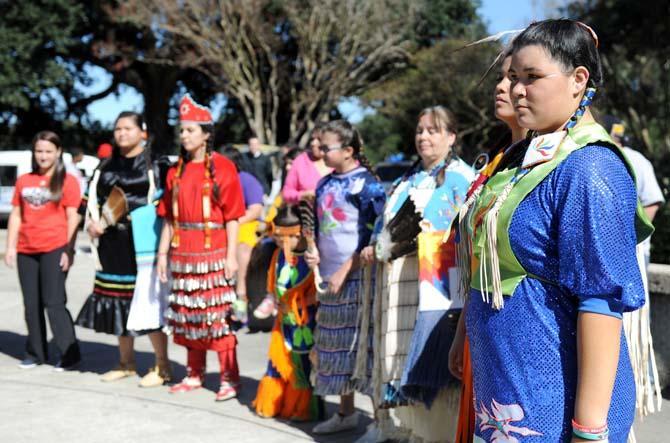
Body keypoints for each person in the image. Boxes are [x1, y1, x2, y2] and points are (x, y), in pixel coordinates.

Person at [458, 20, 653, 442]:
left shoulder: (590, 168)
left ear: (578, 80)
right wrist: (465, 337)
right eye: (513, 78)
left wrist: (588, 427)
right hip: (504, 390)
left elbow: (601, 299)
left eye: (532, 78)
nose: (517, 90)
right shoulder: (519, 159)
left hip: (553, 397)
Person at [360, 106, 475, 443]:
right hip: (396, 289)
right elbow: (384, 227)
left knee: (431, 362)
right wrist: (375, 246)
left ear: (451, 137)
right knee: (396, 359)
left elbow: (467, 236)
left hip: (437, 291)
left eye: (433, 130)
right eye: (420, 130)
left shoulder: (462, 178)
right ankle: (403, 429)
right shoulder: (406, 180)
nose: (423, 137)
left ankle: (438, 435)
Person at [450, 52, 529, 443]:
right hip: (483, 324)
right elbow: (480, 258)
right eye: (502, 77)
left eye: (515, 76)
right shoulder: (494, 162)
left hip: (528, 336)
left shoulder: (562, 162)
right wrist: (462, 330)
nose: (501, 87)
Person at [157, 94, 245, 402]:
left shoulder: (223, 167)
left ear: (207, 134)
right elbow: (168, 217)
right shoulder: (174, 171)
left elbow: (234, 216)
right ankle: (194, 374)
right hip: (183, 253)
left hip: (214, 252)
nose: (184, 136)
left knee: (216, 317)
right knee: (188, 314)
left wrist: (232, 256)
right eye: (181, 130)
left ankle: (229, 377)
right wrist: (161, 254)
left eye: (191, 130)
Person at [75, 112, 172, 387]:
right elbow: (88, 201)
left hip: (145, 245)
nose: (121, 133)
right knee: (118, 301)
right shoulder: (105, 166)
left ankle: (162, 366)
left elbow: (169, 201)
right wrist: (91, 224)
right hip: (111, 244)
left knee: (148, 302)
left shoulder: (156, 164)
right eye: (117, 129)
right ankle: (126, 363)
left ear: (143, 132)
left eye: (128, 128)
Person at [305, 120, 386, 435]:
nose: (321, 152)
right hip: (328, 277)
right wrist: (312, 251)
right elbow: (317, 227)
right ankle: (346, 411)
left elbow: (374, 235)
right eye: (320, 146)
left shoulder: (368, 186)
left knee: (363, 347)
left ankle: (380, 420)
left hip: (358, 279)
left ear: (349, 150)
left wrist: (343, 270)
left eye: (326, 147)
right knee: (336, 347)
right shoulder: (324, 184)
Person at [5, 131, 81, 370]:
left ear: (58, 152)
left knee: (54, 302)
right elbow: (16, 215)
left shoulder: (68, 181)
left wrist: (68, 250)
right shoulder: (24, 180)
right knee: (31, 303)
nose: (43, 156)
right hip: (26, 249)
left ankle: (69, 353)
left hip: (55, 247)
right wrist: (9, 247)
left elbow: (73, 217)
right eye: (39, 151)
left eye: (48, 151)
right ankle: (36, 352)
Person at [252, 204, 324, 421]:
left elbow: (321, 292)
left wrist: (301, 302)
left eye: (281, 239)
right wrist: (272, 301)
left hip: (306, 323)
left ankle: (301, 408)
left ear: (298, 234)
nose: (277, 243)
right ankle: (273, 403)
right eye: (275, 238)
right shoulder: (278, 257)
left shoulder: (312, 259)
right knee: (276, 363)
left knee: (301, 367)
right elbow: (272, 286)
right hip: (283, 323)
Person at [221, 146, 264, 324]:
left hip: (244, 224)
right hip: (220, 226)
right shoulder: (215, 181)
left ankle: (241, 293)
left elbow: (255, 209)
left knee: (242, 246)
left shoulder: (246, 180)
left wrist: (233, 222)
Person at [282, 124, 333, 205]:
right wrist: (302, 195)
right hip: (307, 215)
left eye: (319, 139)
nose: (313, 143)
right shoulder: (301, 161)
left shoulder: (340, 160)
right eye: (312, 139)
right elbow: (286, 193)